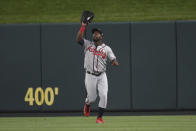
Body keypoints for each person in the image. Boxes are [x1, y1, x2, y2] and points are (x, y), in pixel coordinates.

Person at [76, 22, 119, 123]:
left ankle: (99, 118)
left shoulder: (107, 49)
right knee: (92, 99)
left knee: (104, 95)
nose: (95, 34)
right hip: (90, 75)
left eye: (97, 33)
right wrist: (83, 26)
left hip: (102, 75)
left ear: (101, 36)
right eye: (94, 33)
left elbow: (113, 59)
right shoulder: (87, 44)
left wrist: (114, 62)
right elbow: (78, 39)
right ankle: (87, 104)